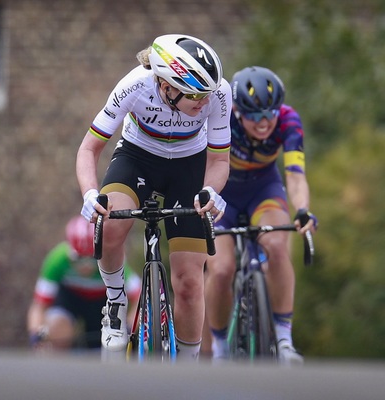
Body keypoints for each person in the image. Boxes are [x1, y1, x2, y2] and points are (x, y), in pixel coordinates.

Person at [76, 34, 231, 360]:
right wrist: (91, 194)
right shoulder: (134, 86)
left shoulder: (219, 93)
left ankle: (187, 367)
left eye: (208, 94)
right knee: (110, 225)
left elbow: (219, 160)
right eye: (196, 95)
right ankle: (116, 299)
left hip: (190, 164)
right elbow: (89, 148)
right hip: (138, 156)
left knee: (189, 282)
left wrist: (211, 191)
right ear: (167, 86)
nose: (205, 102)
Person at [203, 66, 318, 364]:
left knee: (278, 246)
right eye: (254, 116)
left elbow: (295, 174)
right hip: (222, 194)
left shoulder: (289, 121)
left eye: (270, 113)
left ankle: (283, 339)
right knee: (221, 269)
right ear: (238, 112)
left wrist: (303, 210)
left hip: (263, 191)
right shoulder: (222, 115)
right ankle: (219, 347)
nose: (264, 122)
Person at [27, 215, 141, 351]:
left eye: (92, 258)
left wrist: (129, 327)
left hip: (102, 304)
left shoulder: (112, 259)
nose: (86, 265)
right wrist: (36, 335)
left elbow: (139, 298)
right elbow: (39, 306)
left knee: (112, 343)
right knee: (57, 327)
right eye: (79, 258)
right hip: (69, 301)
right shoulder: (57, 260)